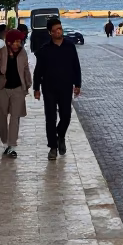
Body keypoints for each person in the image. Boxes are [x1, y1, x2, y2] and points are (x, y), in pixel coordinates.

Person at [33, 17, 82, 161]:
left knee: (66, 116)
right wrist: (36, 88)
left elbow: (76, 66)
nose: (58, 32)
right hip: (49, 88)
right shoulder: (44, 50)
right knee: (50, 118)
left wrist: (77, 84)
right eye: (55, 30)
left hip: (66, 87)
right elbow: (38, 71)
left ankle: (60, 135)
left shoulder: (70, 46)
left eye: (60, 29)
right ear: (50, 32)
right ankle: (53, 147)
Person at [0, 29, 33, 158]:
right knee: (2, 116)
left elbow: (26, 69)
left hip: (18, 89)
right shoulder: (1, 51)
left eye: (19, 41)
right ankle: (5, 143)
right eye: (16, 41)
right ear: (9, 42)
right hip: (3, 89)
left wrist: (28, 84)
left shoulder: (22, 53)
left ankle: (12, 145)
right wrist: (0, 67)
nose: (18, 44)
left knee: (15, 117)